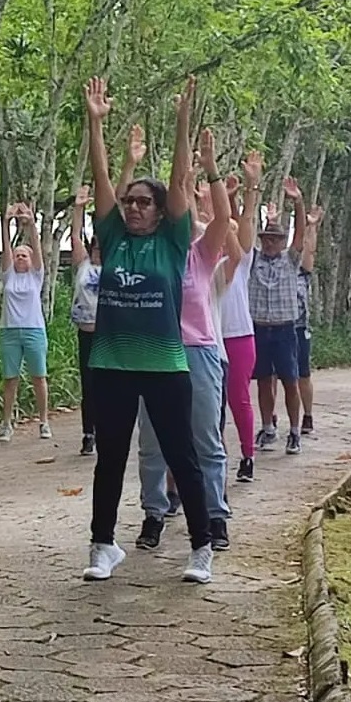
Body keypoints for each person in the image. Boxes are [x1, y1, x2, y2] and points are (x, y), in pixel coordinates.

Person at [81, 75, 214, 586]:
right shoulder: (113, 238)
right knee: (110, 458)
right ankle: (103, 545)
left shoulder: (174, 242)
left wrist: (183, 122)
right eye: (129, 201)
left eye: (143, 202)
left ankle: (201, 547)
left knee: (183, 455)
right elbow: (100, 178)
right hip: (111, 363)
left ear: (161, 212)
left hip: (164, 366)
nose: (133, 207)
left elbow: (180, 182)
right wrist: (96, 124)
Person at [136, 131, 233, 553]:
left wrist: (210, 170)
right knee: (152, 443)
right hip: (154, 355)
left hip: (198, 353)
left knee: (205, 440)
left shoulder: (201, 254)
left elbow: (223, 218)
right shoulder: (150, 254)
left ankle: (215, 515)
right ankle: (154, 513)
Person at [249, 176, 307, 455]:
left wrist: (298, 202)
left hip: (285, 329)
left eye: (275, 239)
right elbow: (240, 230)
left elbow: (301, 235)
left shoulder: (290, 260)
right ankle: (267, 427)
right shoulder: (253, 260)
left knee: (290, 381)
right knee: (263, 380)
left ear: (283, 241)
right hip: (259, 328)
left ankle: (294, 431)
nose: (270, 242)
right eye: (267, 238)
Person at [221, 155, 262, 481]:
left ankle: (248, 455)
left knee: (238, 399)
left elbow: (246, 219)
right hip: (209, 339)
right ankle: (214, 458)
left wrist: (250, 187)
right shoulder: (203, 258)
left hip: (239, 337)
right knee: (211, 405)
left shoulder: (242, 260)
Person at [0, 203, 51, 442]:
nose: (19, 258)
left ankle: (44, 421)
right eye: (17, 255)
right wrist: (6, 223)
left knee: (39, 377)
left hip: (34, 331)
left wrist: (31, 225)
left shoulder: (36, 276)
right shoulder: (8, 276)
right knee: (10, 379)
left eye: (24, 255)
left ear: (30, 260)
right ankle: (6, 424)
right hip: (9, 332)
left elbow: (37, 249)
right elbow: (5, 248)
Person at [70, 184, 102, 455]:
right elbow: (74, 237)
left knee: (108, 385)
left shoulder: (114, 267)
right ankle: (88, 433)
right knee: (89, 385)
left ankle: (106, 430)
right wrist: (78, 208)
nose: (98, 248)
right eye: (96, 244)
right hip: (86, 332)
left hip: (107, 333)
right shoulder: (84, 265)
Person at [297, 206, 325, 434]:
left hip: (299, 328)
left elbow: (309, 251)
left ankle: (307, 415)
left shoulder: (302, 272)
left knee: (303, 375)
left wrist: (311, 226)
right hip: (276, 327)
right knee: (271, 377)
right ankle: (271, 419)